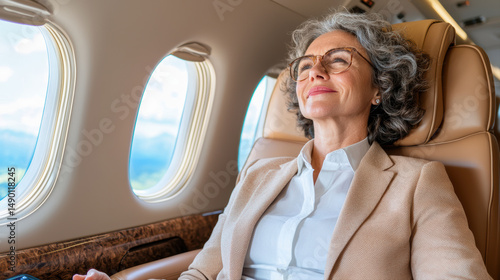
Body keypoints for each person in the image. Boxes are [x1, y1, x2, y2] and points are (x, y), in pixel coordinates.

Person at [74, 11, 492, 280]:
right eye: (305, 66)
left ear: (379, 88)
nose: (315, 72)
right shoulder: (258, 177)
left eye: (339, 60)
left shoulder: (417, 183)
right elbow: (203, 273)